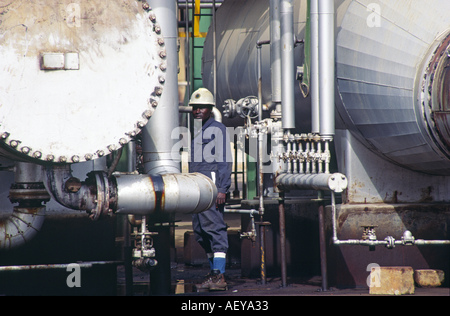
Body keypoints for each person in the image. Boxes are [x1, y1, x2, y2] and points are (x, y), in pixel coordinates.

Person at [188, 88, 232, 291]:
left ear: (210, 109)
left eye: (202, 108)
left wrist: (222, 188)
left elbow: (224, 160)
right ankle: (213, 271)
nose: (197, 111)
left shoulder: (218, 129)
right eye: (195, 108)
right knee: (200, 232)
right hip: (197, 188)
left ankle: (219, 276)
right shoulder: (198, 130)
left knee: (214, 229)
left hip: (211, 187)